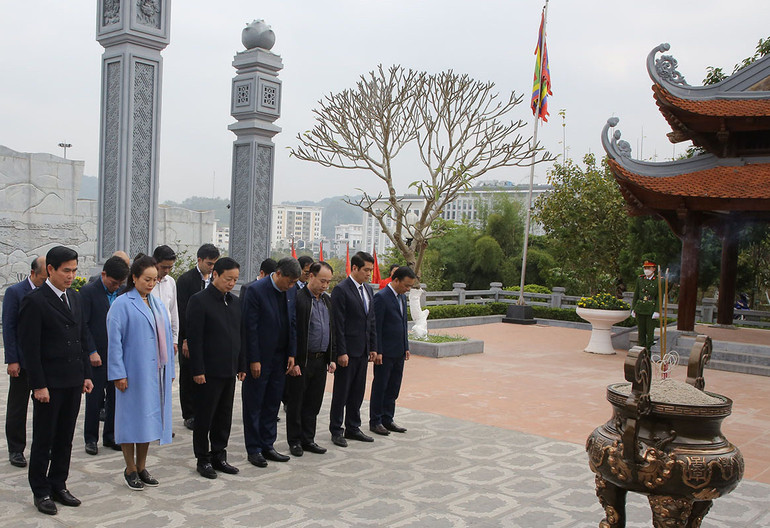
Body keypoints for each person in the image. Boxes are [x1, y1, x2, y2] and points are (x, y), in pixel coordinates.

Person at [18, 246, 94, 515]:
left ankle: (58, 483)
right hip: (49, 384)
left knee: (65, 437)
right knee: (44, 439)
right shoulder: (35, 301)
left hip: (73, 380)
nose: (71, 276)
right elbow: (30, 348)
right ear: (50, 269)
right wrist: (38, 385)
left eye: (74, 270)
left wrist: (86, 374)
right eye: (66, 271)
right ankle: (41, 490)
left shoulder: (75, 297)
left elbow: (81, 338)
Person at [107, 255, 175, 491]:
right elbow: (114, 342)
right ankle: (129, 468)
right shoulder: (122, 304)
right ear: (134, 277)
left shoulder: (155, 304)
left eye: (154, 280)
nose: (151, 284)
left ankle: (142, 465)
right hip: (132, 372)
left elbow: (166, 338)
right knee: (130, 421)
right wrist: (118, 374)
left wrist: (170, 369)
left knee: (148, 420)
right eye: (147, 279)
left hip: (155, 372)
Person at [186, 257, 246, 479]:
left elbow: (241, 336)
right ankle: (203, 459)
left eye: (235, 279)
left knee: (224, 416)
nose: (231, 283)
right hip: (208, 372)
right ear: (216, 275)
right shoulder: (199, 301)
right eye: (228, 278)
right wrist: (198, 370)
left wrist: (241, 364)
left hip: (229, 370)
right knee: (205, 417)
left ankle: (219, 454)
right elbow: (195, 339)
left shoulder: (235, 302)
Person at [241, 257, 299, 467]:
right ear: (279, 274)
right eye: (290, 281)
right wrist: (253, 359)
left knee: (273, 402)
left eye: (294, 283)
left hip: (281, 357)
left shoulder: (290, 291)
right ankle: (254, 448)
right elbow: (250, 328)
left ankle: (268, 444)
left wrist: (292, 352)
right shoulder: (256, 291)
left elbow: (292, 323)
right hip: (260, 358)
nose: (291, 286)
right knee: (255, 403)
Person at [81, 256, 130, 456]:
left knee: (115, 397)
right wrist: (91, 351)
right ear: (103, 275)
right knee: (94, 398)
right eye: (112, 283)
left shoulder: (123, 294)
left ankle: (111, 436)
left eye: (119, 284)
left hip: (116, 355)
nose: (115, 287)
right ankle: (91, 439)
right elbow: (83, 325)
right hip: (97, 355)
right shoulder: (88, 293)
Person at [285, 261, 335, 456]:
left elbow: (332, 330)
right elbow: (293, 332)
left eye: (328, 282)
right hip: (302, 361)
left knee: (314, 402)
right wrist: (294, 360)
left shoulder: (327, 301)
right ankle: (295, 440)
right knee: (297, 402)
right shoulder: (299, 299)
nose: (324, 285)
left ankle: (308, 438)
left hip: (320, 360)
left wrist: (331, 356)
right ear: (311, 276)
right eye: (322, 280)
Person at [329, 251, 378, 447]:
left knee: (357, 391)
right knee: (342, 392)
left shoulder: (368, 290)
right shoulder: (341, 290)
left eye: (371, 270)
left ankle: (353, 426)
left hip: (363, 350)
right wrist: (341, 352)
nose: (369, 274)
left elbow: (371, 320)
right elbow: (338, 324)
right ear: (355, 268)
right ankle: (336, 429)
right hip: (347, 351)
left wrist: (373, 346)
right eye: (366, 270)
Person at [3, 256, 47, 469]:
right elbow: (9, 327)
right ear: (35, 273)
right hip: (21, 360)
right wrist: (12, 359)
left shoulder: (48, 294)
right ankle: (16, 449)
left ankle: (41, 446)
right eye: (45, 276)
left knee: (44, 405)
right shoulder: (15, 292)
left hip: (43, 360)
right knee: (18, 406)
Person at [176, 243, 220, 430]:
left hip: (208, 338)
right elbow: (182, 311)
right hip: (188, 336)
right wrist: (186, 338)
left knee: (205, 375)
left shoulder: (215, 280)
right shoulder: (186, 280)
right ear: (199, 260)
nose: (211, 268)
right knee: (188, 375)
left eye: (214, 264)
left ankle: (204, 411)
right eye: (209, 264)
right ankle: (189, 414)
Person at [369, 266, 416, 436]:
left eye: (410, 286)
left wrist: (406, 346)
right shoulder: (381, 297)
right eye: (406, 285)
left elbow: (403, 324)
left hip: (398, 351)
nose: (408, 289)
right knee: (381, 386)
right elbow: (376, 326)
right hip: (385, 352)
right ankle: (375, 421)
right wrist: (377, 350)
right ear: (395, 280)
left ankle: (388, 418)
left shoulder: (402, 297)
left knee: (393, 387)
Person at [151, 245, 179, 355]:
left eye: (170, 267)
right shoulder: (146, 283)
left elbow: (173, 311)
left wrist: (174, 340)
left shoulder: (171, 282)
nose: (167, 271)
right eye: (163, 267)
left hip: (166, 336)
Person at [632, 260, 660, 351]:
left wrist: (657, 310)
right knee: (641, 334)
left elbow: (659, 297)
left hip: (650, 310)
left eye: (648, 268)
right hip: (640, 308)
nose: (646, 270)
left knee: (650, 334)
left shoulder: (658, 281)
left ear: (654, 269)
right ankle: (641, 354)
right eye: (645, 268)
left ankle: (648, 353)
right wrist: (633, 308)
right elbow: (636, 295)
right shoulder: (640, 279)